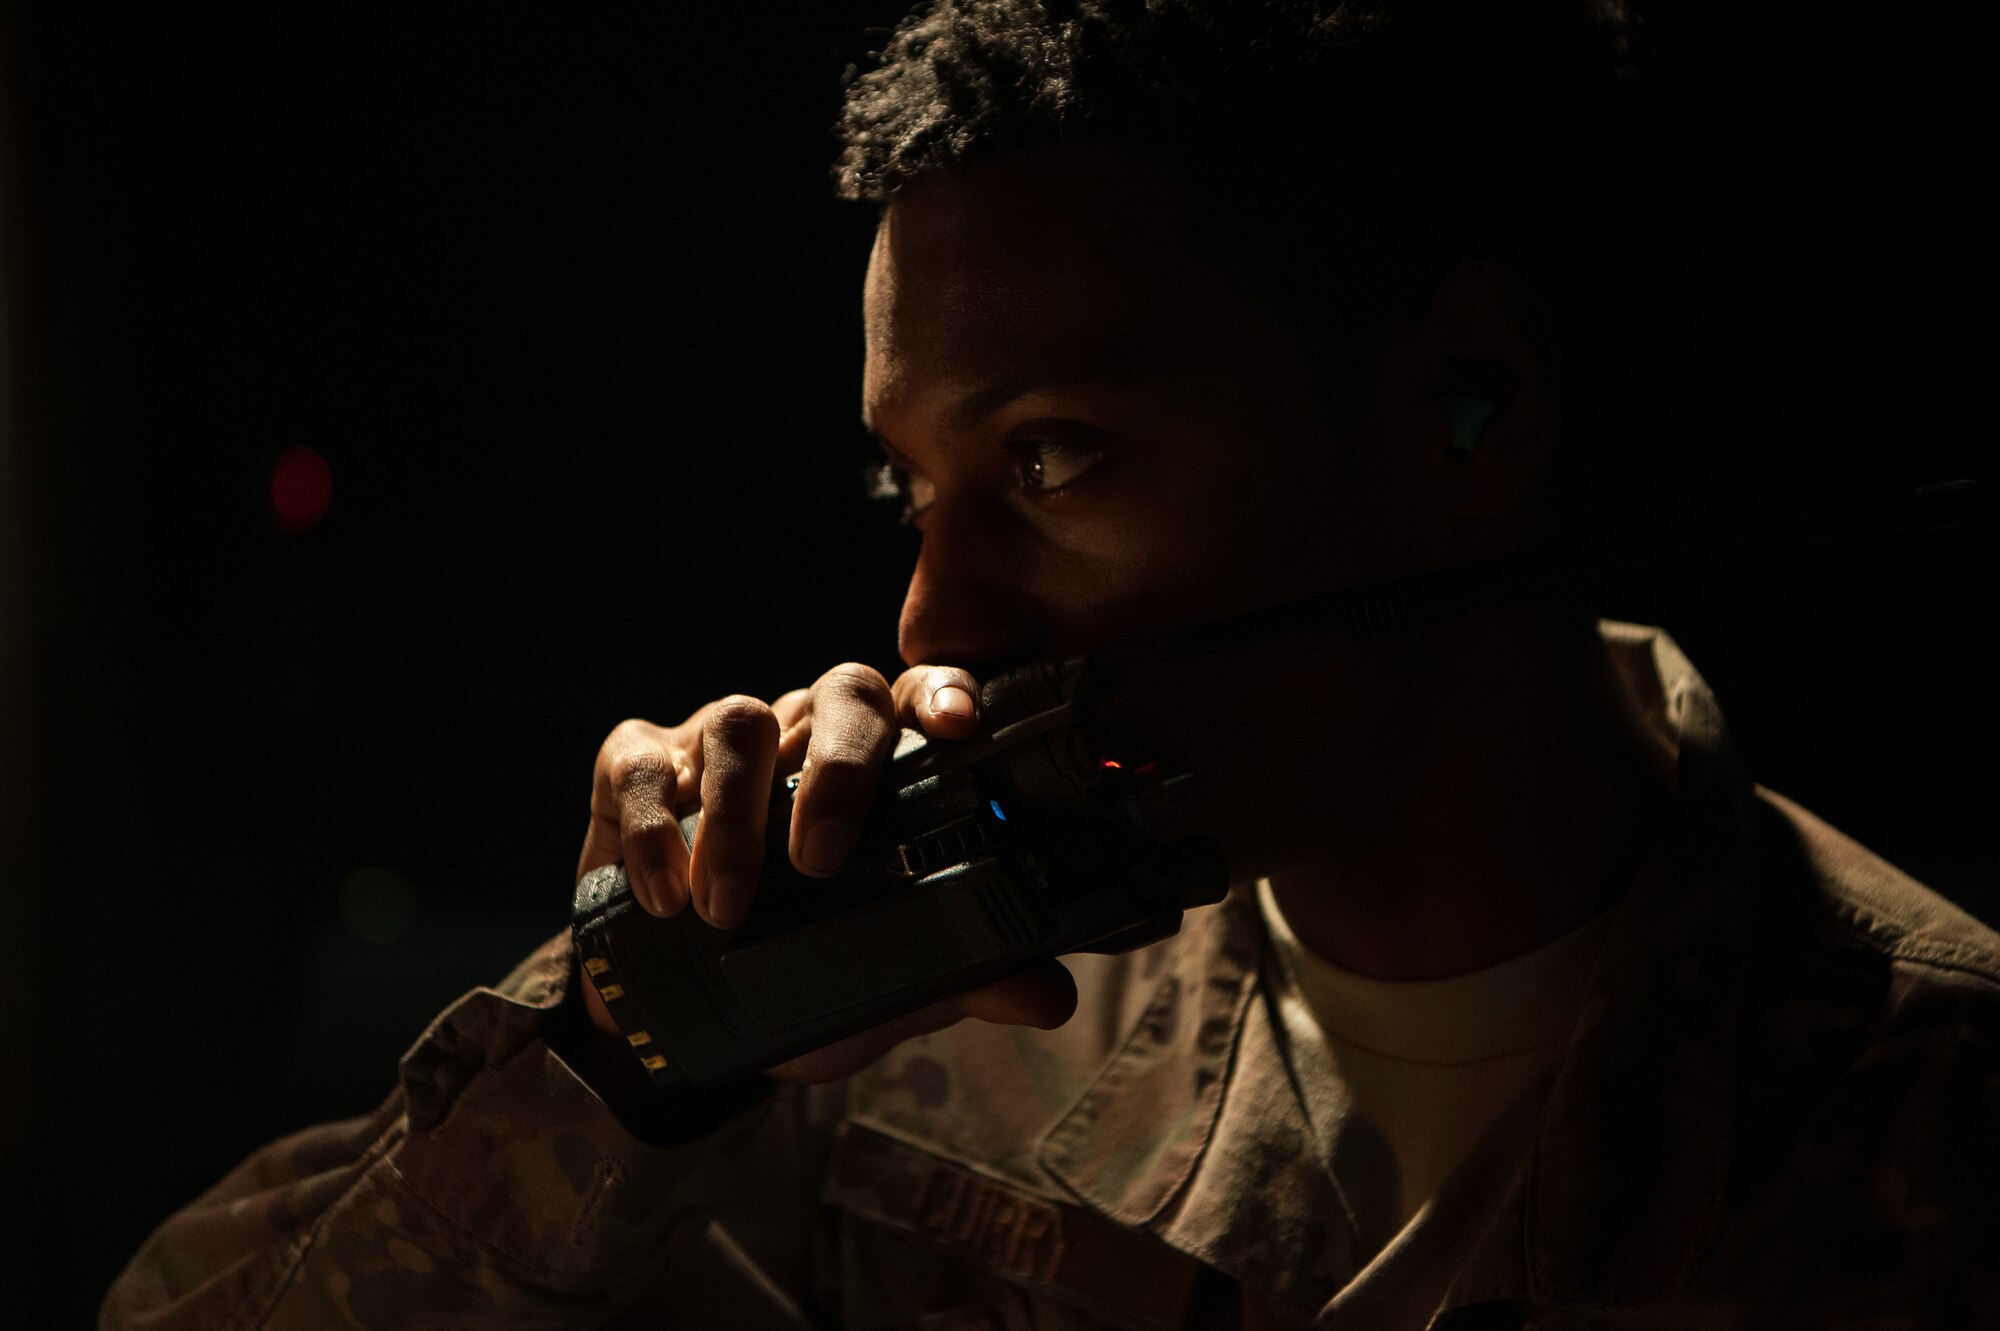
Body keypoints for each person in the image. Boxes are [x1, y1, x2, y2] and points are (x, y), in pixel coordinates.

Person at [102, 1, 1999, 1327]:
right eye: (912, 489)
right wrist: (628, 1049)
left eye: (1052, 460)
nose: (937, 623)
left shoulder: (1942, 1115)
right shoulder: (936, 1040)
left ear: (1466, 411)